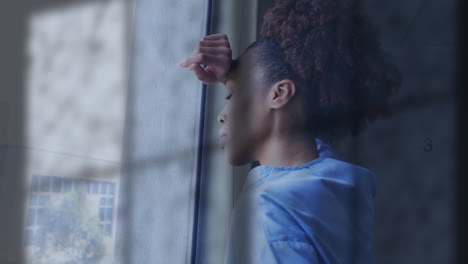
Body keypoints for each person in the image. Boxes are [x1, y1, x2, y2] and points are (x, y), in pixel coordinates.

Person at [178, 0, 400, 263]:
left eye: (230, 96)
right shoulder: (332, 189)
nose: (221, 115)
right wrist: (235, 79)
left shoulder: (270, 207)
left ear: (280, 93)